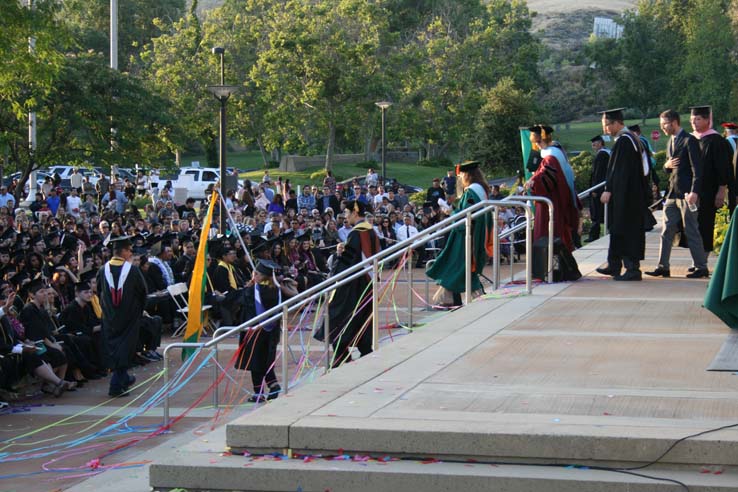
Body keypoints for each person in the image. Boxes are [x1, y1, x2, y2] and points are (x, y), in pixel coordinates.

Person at [646, 109, 707, 279]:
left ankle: (701, 267)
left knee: (691, 230)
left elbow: (698, 170)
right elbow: (670, 169)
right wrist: (666, 165)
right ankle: (663, 266)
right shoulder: (670, 142)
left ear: (673, 122)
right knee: (666, 231)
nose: (662, 128)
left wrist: (695, 191)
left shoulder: (690, 141)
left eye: (663, 124)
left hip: (688, 195)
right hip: (672, 194)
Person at [320, 200, 381, 367]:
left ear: (355, 212)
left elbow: (349, 262)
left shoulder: (356, 233)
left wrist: (339, 257)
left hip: (353, 286)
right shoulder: (371, 231)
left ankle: (341, 356)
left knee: (337, 317)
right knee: (363, 318)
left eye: (347, 213)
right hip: (367, 284)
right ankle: (364, 350)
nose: (346, 217)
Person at [427, 161, 492, 305]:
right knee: (463, 267)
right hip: (475, 233)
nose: (460, 178)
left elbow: (467, 213)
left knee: (458, 264)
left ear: (467, 175)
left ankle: (447, 297)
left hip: (467, 235)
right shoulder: (481, 190)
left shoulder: (472, 191)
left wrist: (451, 212)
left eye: (461, 175)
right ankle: (448, 297)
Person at [596, 108, 649, 281]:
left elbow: (620, 172)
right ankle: (614, 264)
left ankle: (632, 268)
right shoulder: (630, 139)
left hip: (627, 196)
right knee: (618, 228)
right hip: (629, 194)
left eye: (607, 125)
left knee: (626, 229)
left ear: (617, 123)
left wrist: (609, 189)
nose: (605, 130)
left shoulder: (625, 141)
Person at [234, 260, 297, 402]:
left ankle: (259, 393)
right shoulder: (277, 290)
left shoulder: (252, 291)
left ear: (258, 275)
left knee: (255, 361)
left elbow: (238, 303)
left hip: (255, 332)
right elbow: (295, 296)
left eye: (255, 274)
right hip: (272, 332)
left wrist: (247, 288)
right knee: (266, 360)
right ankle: (273, 385)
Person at [96, 236, 148, 397]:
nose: (131, 253)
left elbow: (99, 292)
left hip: (110, 318)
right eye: (130, 250)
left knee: (115, 348)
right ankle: (116, 386)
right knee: (125, 349)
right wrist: (137, 311)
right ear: (124, 251)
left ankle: (124, 378)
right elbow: (143, 293)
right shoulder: (132, 270)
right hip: (129, 317)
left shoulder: (102, 270)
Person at [524, 125, 580, 253]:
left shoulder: (551, 157)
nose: (537, 146)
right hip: (557, 201)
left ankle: (554, 269)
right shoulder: (557, 152)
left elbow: (546, 181)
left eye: (538, 142)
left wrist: (532, 182)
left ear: (544, 139)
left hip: (551, 203)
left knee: (550, 235)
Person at [690, 106, 735, 266]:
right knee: (694, 227)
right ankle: (698, 260)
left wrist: (721, 190)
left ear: (707, 121)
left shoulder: (717, 141)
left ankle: (702, 261)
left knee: (706, 225)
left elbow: (723, 169)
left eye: (698, 119)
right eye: (692, 119)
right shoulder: (692, 139)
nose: (694, 123)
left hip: (711, 191)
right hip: (695, 191)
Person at [588, 135, 610, 241]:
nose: (593, 145)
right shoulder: (605, 153)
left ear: (601, 143)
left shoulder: (602, 155)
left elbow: (598, 173)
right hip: (602, 188)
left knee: (596, 212)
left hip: (599, 188)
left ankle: (594, 235)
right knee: (599, 212)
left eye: (595, 143)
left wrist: (594, 189)